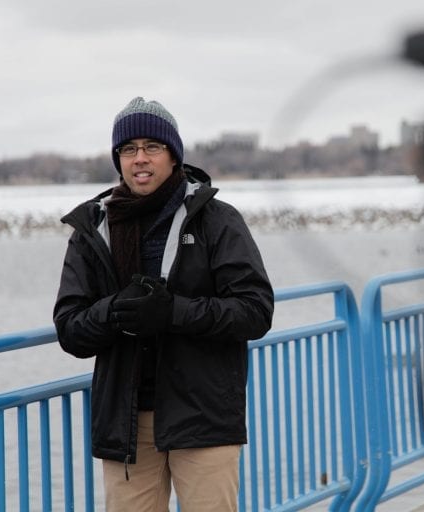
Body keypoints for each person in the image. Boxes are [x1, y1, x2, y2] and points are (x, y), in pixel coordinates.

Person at [53, 96, 274, 512]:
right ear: (117, 159)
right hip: (126, 423)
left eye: (152, 147)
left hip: (203, 416)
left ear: (174, 156)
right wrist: (116, 309)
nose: (140, 159)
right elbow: (70, 329)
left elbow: (255, 310)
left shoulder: (215, 220)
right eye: (128, 149)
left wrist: (172, 312)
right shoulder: (92, 228)